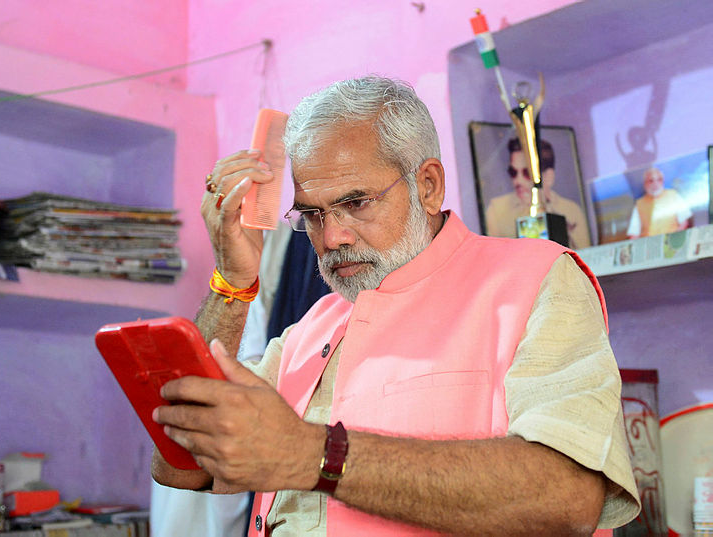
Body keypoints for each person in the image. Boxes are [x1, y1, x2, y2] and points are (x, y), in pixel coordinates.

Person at [151, 76, 640, 536]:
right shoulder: (316, 324)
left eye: (357, 202)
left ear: (427, 186)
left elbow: (568, 495)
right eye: (313, 215)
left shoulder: (535, 280)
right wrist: (231, 282)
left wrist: (312, 455)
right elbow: (179, 463)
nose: (332, 238)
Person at [484, 137, 592, 249]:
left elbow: (583, 258)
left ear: (549, 176)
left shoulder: (571, 210)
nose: (518, 181)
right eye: (513, 172)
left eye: (527, 173)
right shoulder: (496, 211)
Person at [626, 167, 692, 239]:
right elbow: (634, 234)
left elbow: (684, 223)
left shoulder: (673, 195)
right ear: (645, 184)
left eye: (659, 180)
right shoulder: (639, 204)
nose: (655, 184)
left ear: (662, 182)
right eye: (651, 181)